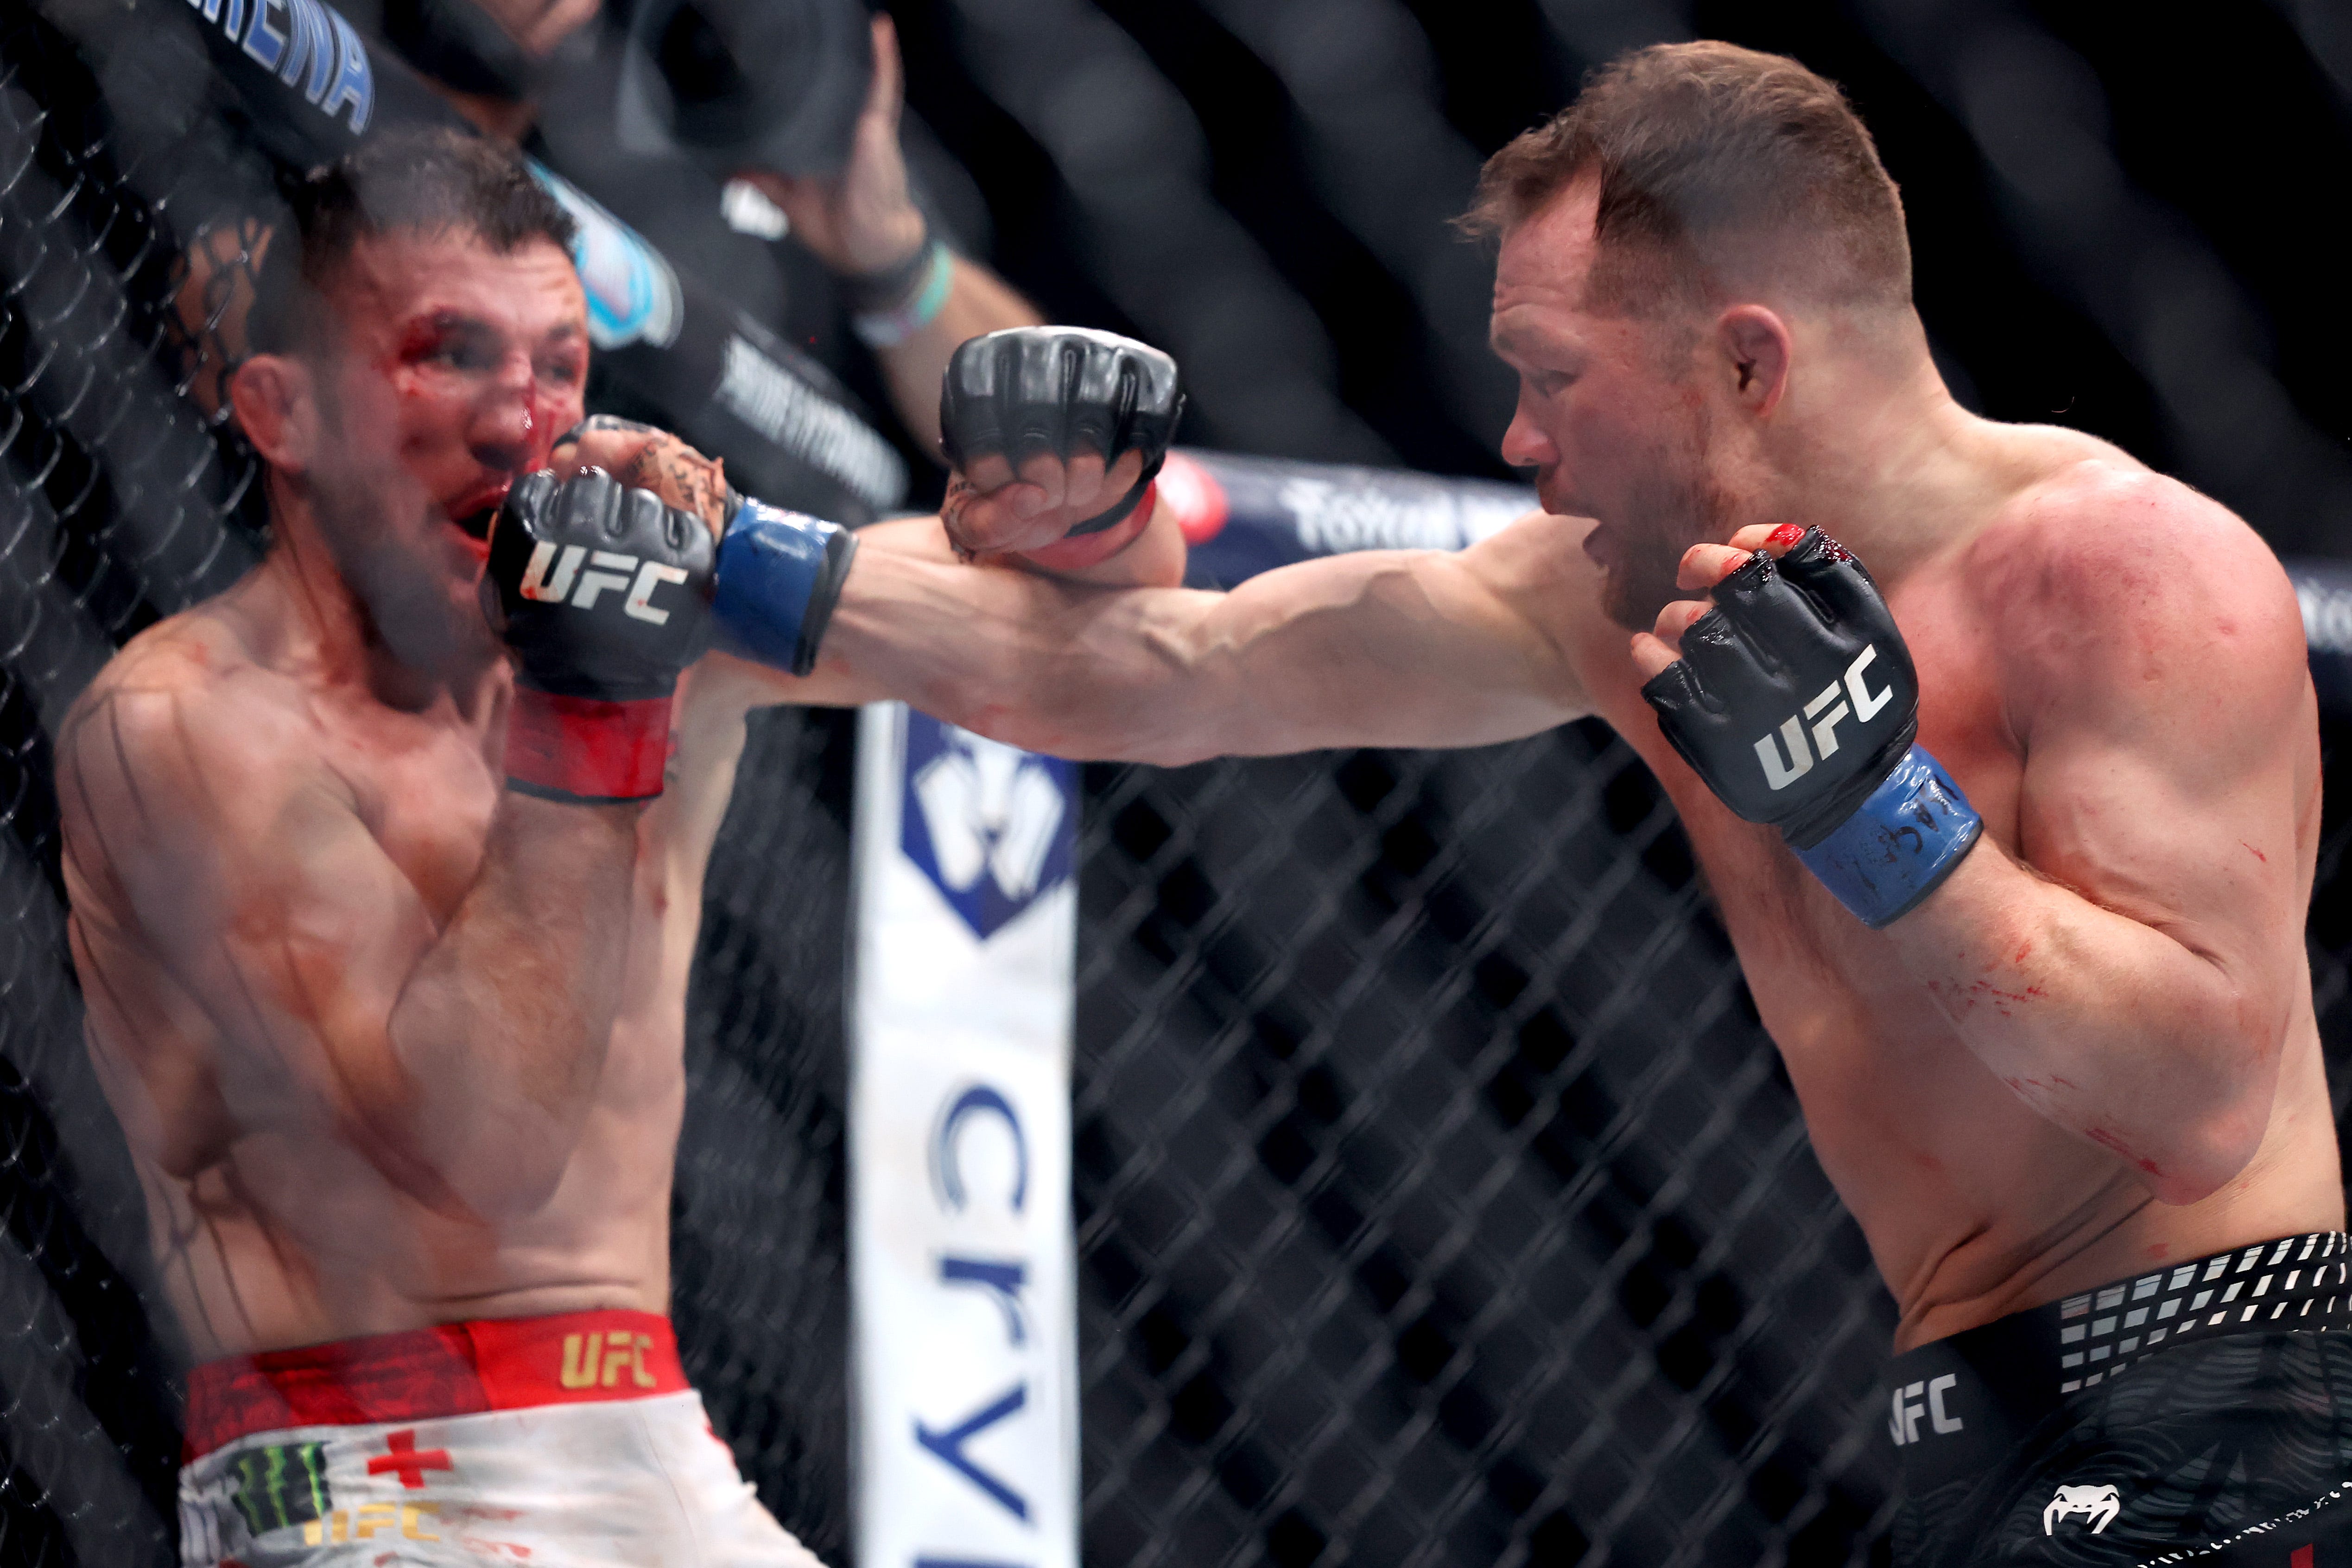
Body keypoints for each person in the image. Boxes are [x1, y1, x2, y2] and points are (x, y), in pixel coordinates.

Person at [818, 42, 2348, 1566]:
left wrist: (1872, 807)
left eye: (1554, 378)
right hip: (1964, 1417)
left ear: (1750, 363)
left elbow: (2197, 1105)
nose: (1518, 444)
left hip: (2220, 1387)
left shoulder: (2125, 576)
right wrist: (732, 574)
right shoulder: (1601, 602)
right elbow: (1180, 671)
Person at [57, 128, 1170, 1566]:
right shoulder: (186, 730)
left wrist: (1080, 492)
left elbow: (1123, 625)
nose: (521, 420)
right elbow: (481, 1150)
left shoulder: (668, 612)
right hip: (368, 1477)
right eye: (445, 354)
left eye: (560, 364)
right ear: (285, 412)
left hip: (655, 1445)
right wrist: (595, 704)